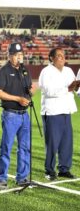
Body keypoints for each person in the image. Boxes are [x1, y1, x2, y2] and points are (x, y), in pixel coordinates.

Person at [0, 42, 35, 189]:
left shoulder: (25, 70)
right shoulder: (4, 71)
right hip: (10, 115)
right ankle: (2, 178)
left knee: (25, 147)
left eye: (21, 55)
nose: (19, 57)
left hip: (25, 115)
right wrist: (18, 99)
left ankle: (22, 177)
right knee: (6, 147)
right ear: (10, 56)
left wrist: (30, 93)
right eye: (16, 55)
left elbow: (30, 88)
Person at [38, 47, 78, 181]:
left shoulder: (68, 71)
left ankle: (64, 169)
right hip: (52, 112)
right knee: (52, 143)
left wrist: (77, 87)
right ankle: (49, 170)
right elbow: (49, 91)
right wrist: (68, 88)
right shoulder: (46, 72)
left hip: (66, 110)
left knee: (67, 142)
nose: (63, 58)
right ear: (52, 58)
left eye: (63, 55)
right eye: (59, 56)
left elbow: (74, 89)